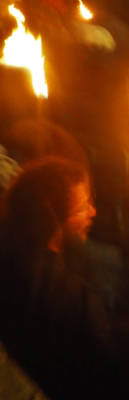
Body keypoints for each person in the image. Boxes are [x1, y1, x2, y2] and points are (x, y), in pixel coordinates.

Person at [0, 156, 113, 399]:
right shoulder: (74, 297)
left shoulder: (8, 266)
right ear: (52, 212)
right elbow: (101, 370)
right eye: (83, 206)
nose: (93, 212)